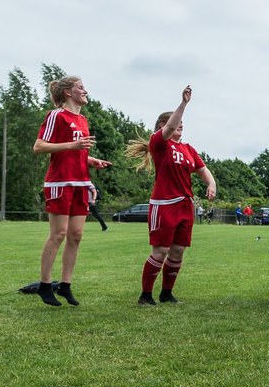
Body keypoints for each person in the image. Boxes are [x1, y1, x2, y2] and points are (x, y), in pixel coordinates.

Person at [125, 85, 217, 305]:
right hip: (164, 204)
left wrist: (211, 184)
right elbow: (171, 126)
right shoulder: (160, 143)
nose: (180, 127)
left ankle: (166, 293)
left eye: (182, 125)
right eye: (177, 124)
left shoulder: (188, 149)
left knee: (177, 252)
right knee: (161, 251)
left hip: (185, 205)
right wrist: (184, 104)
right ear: (162, 126)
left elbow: (203, 169)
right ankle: (145, 295)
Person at [33, 76, 111, 307]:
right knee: (59, 234)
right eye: (80, 87)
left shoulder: (83, 120)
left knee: (76, 235)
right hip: (59, 183)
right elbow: (39, 147)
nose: (85, 90)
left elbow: (76, 152)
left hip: (80, 183)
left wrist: (90, 159)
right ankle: (45, 285)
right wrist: (73, 146)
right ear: (68, 92)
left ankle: (65, 285)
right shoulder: (56, 115)